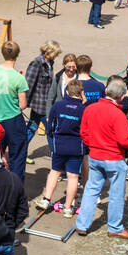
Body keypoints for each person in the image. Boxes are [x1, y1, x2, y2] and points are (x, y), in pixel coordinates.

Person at [75, 79, 128, 239]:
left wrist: (93, 145)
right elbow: (124, 140)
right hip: (114, 158)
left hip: (95, 156)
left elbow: (83, 133)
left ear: (106, 91)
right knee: (117, 193)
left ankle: (82, 224)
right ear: (122, 96)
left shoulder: (90, 109)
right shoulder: (118, 114)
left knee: (91, 190)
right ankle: (115, 227)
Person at [38, 79, 86, 217]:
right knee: (73, 177)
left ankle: (46, 199)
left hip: (59, 144)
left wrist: (53, 135)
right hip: (77, 146)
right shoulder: (83, 110)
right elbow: (85, 130)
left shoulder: (57, 106)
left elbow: (50, 125)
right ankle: (67, 208)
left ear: (66, 92)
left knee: (54, 171)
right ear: (82, 93)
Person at [0, 40, 29, 180]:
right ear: (17, 55)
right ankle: (15, 189)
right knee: (18, 156)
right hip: (13, 119)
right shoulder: (19, 78)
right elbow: (23, 105)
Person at [23, 41, 59, 143]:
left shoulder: (50, 63)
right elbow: (28, 84)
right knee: (51, 130)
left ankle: (21, 153)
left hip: (46, 104)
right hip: (40, 106)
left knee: (32, 128)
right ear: (50, 52)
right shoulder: (37, 63)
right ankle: (55, 155)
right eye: (56, 53)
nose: (57, 56)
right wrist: (24, 102)